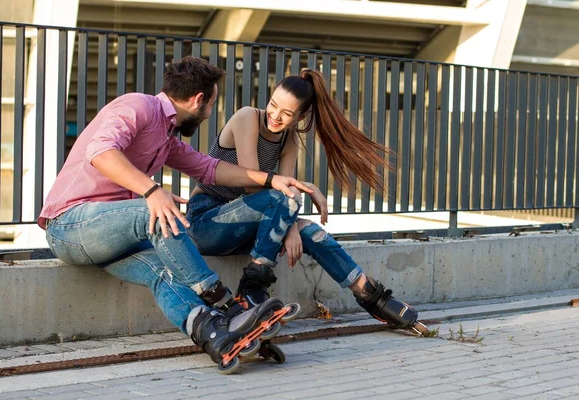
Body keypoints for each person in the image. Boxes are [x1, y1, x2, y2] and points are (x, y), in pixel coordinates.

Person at [38, 56, 313, 371]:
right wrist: (152, 192)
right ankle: (226, 304)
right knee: (155, 212)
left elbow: (210, 169)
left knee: (164, 273)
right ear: (198, 100)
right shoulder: (137, 106)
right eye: (211, 105)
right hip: (70, 225)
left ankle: (215, 335)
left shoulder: (165, 139)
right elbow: (100, 151)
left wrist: (270, 179)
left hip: (113, 236)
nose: (210, 113)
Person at [186, 69, 427, 334]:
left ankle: (370, 294)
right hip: (208, 221)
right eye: (273, 105)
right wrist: (304, 193)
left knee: (310, 231)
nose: (275, 116)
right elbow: (252, 183)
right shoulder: (248, 117)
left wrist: (292, 227)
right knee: (288, 201)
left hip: (250, 224)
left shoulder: (289, 140)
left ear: (300, 116)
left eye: (287, 113)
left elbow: (283, 196)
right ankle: (253, 287)